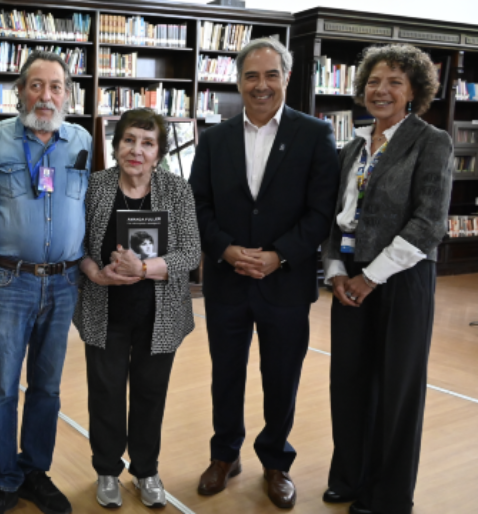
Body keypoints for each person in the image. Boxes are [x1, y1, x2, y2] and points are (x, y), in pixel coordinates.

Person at [188, 37, 340, 509]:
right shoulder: (214, 138)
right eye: (251, 76)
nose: (261, 85)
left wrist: (279, 255)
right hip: (227, 281)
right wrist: (226, 249)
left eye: (271, 75)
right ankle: (224, 454)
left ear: (286, 78)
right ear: (238, 81)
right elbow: (198, 204)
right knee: (225, 375)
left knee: (281, 377)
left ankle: (276, 461)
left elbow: (321, 212)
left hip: (286, 283)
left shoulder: (315, 135)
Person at [321, 44, 453, 514]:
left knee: (397, 387)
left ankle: (388, 496)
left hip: (402, 278)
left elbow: (429, 222)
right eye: (374, 81)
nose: (382, 90)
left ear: (414, 91)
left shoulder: (431, 142)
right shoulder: (353, 147)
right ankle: (349, 476)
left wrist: (371, 278)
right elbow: (337, 218)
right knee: (349, 381)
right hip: (349, 277)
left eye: (395, 82)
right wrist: (337, 271)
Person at [0, 50, 93, 514]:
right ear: (20, 91)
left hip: (64, 283)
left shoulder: (81, 140)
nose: (46, 95)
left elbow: (89, 208)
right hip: (7, 281)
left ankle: (34, 472)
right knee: (2, 388)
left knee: (47, 387)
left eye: (56, 86)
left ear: (67, 94)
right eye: (37, 85)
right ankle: (4, 480)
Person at [73, 109, 200, 509]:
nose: (136, 150)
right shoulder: (96, 186)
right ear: (116, 146)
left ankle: (147, 470)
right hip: (104, 311)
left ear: (159, 153)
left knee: (150, 395)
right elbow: (75, 245)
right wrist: (94, 272)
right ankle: (107, 470)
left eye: (147, 143)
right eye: (128, 140)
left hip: (158, 317)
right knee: (105, 395)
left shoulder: (177, 190)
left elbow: (191, 253)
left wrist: (144, 268)